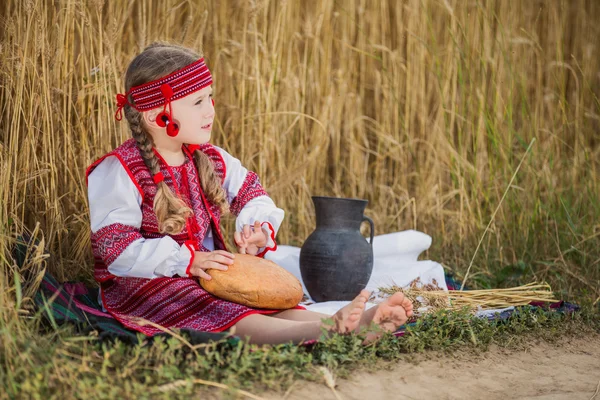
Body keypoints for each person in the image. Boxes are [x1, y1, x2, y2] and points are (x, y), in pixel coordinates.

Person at [86, 42, 413, 345]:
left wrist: (258, 229)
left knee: (255, 300)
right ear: (155, 115)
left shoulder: (210, 158)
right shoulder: (119, 171)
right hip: (147, 286)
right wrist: (187, 260)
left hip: (206, 275)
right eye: (197, 101)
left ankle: (345, 324)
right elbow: (117, 248)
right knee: (215, 307)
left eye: (210, 97)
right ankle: (327, 331)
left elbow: (251, 192)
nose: (210, 110)